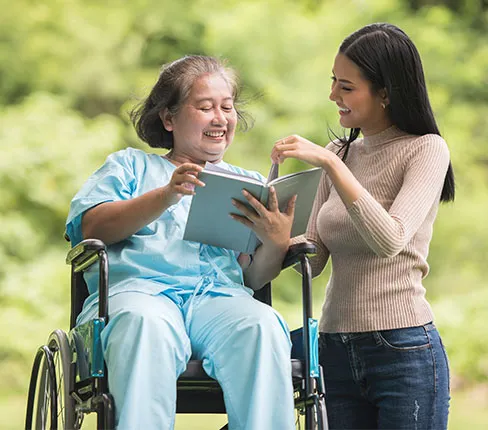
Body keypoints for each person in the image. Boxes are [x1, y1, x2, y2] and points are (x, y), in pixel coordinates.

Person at [65, 55, 297, 430]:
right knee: (146, 324)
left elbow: (254, 278)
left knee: (262, 325)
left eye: (227, 107)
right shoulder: (130, 167)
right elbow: (91, 227)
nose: (220, 118)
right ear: (169, 118)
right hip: (141, 294)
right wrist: (166, 196)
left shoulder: (246, 182)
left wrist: (275, 241)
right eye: (205, 107)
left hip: (218, 300)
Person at [271, 23, 453, 429]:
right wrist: (272, 233)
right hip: (334, 347)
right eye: (334, 82)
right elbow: (314, 258)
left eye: (346, 86)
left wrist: (332, 165)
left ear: (386, 92)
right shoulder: (341, 151)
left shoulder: (425, 149)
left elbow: (390, 237)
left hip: (402, 347)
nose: (333, 94)